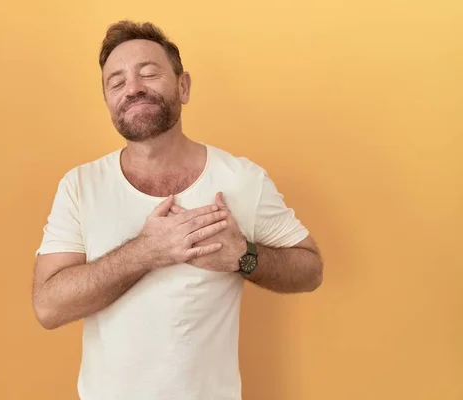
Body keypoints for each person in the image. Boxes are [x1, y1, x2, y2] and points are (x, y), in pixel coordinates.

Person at [32, 20, 323, 400]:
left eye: (148, 74)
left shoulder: (241, 180)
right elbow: (48, 307)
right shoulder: (80, 186)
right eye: (116, 83)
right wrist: (147, 252)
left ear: (183, 86)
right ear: (108, 103)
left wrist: (243, 257)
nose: (133, 88)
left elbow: (310, 269)